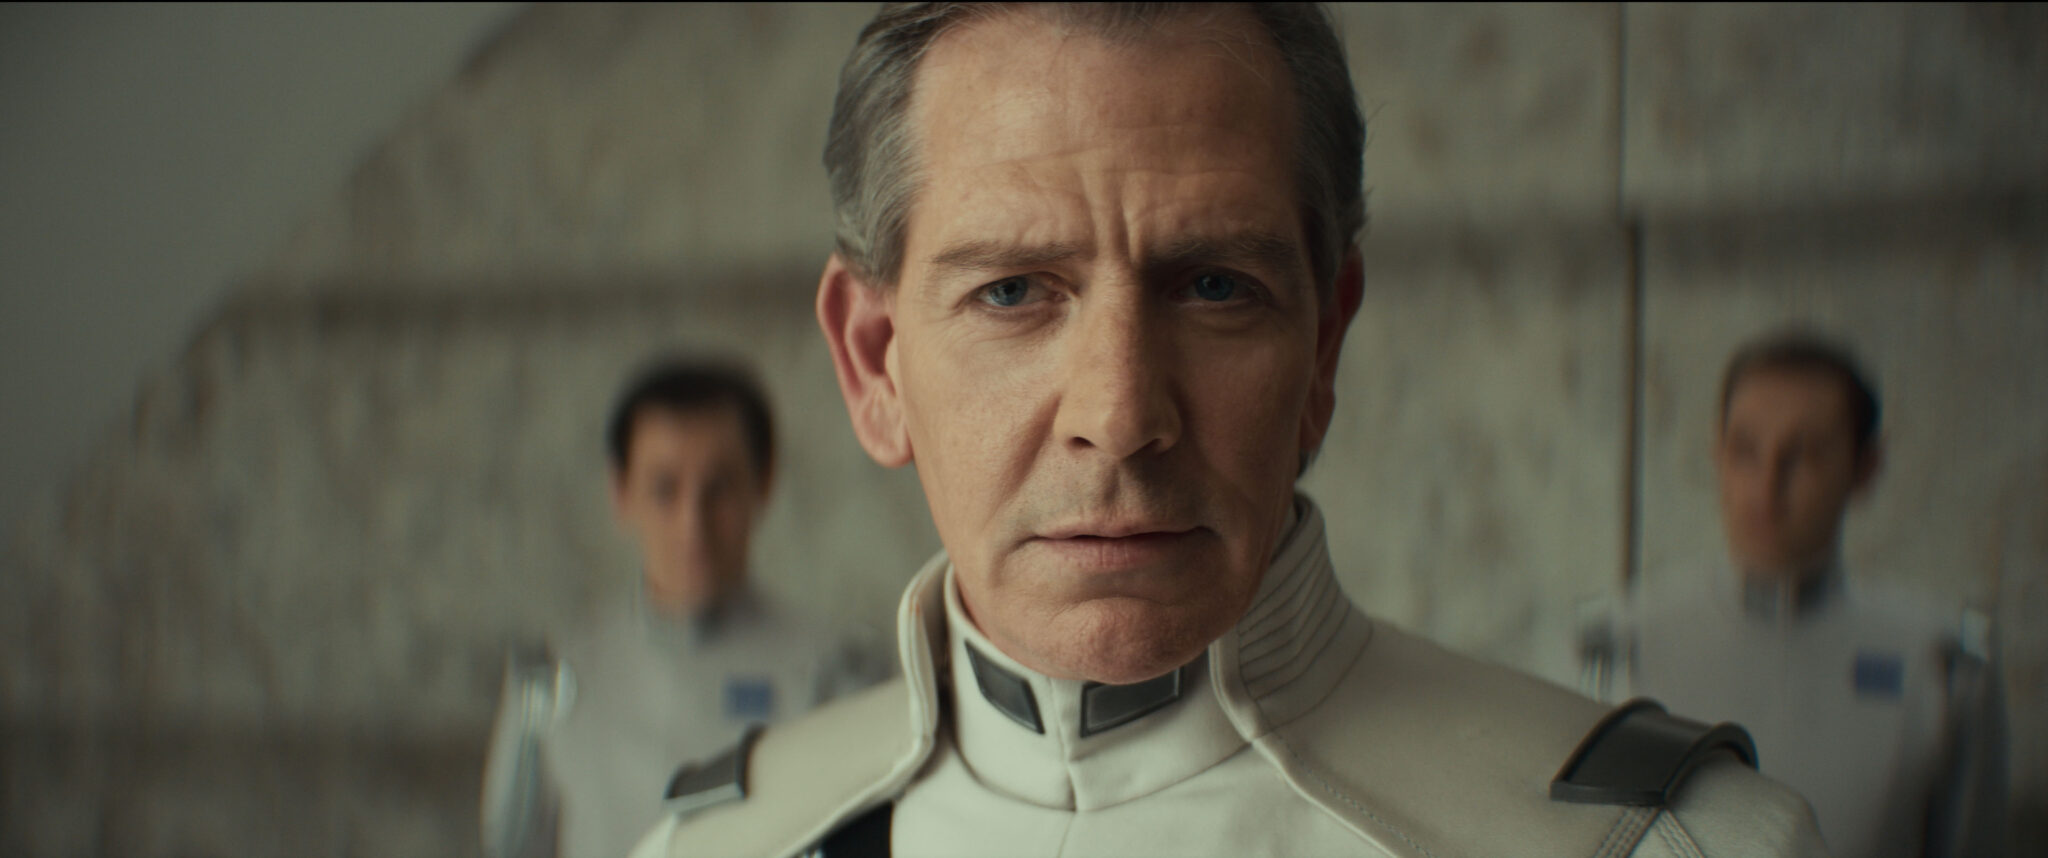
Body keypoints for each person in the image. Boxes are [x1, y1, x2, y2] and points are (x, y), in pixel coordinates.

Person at [631, 4, 1831, 856]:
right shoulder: (711, 847)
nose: (1118, 419)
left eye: (1212, 287)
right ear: (872, 361)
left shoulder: (1667, 845)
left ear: (1322, 344)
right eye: (1011, 292)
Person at [1578, 330, 2007, 858]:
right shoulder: (1620, 646)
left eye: (1803, 455)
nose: (1767, 486)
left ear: (1864, 467)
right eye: (1746, 450)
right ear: (1716, 453)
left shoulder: (1941, 664)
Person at [480, 358, 891, 858]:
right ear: (621, 491)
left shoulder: (835, 671)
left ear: (762, 483)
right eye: (664, 489)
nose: (691, 524)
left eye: (719, 488)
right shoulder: (554, 681)